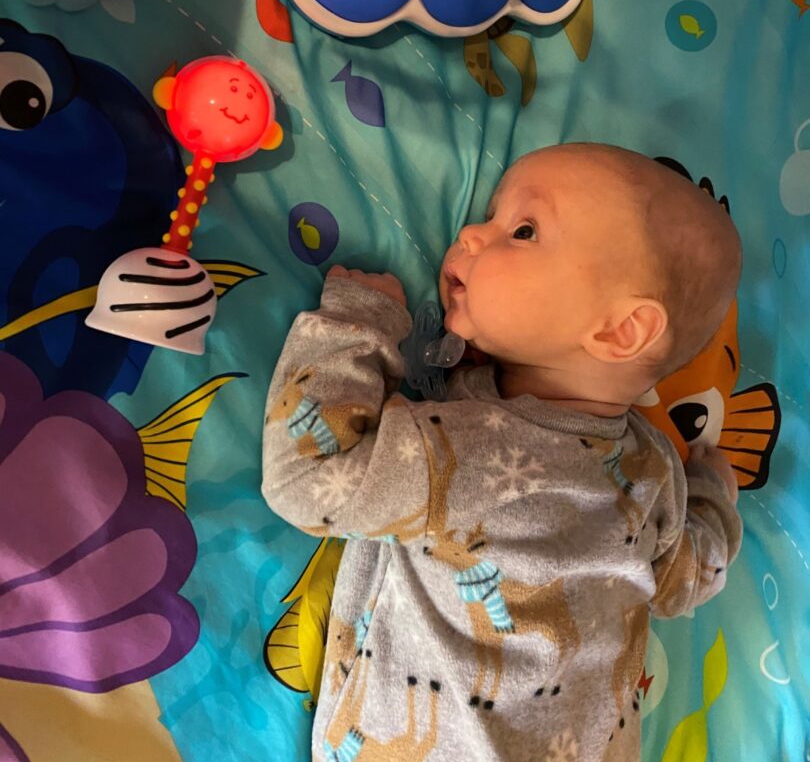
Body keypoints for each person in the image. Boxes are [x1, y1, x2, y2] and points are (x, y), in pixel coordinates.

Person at [262, 143, 743, 762]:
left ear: (620, 330)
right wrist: (710, 496)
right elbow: (687, 580)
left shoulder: (468, 450)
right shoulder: (654, 468)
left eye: (523, 229)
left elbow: (307, 475)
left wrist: (359, 323)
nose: (470, 233)